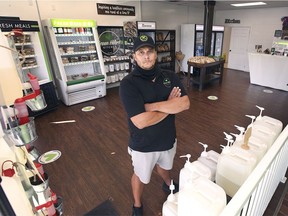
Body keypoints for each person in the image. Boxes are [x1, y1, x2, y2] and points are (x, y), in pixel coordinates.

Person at [119, 34, 190, 216]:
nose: (146, 56)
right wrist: (169, 105)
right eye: (141, 52)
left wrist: (153, 106)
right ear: (134, 56)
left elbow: (184, 104)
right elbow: (140, 122)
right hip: (143, 145)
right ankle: (137, 204)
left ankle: (168, 184)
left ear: (156, 54)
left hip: (167, 139)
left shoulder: (170, 76)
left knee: (165, 169)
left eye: (150, 51)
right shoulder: (128, 84)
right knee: (141, 177)